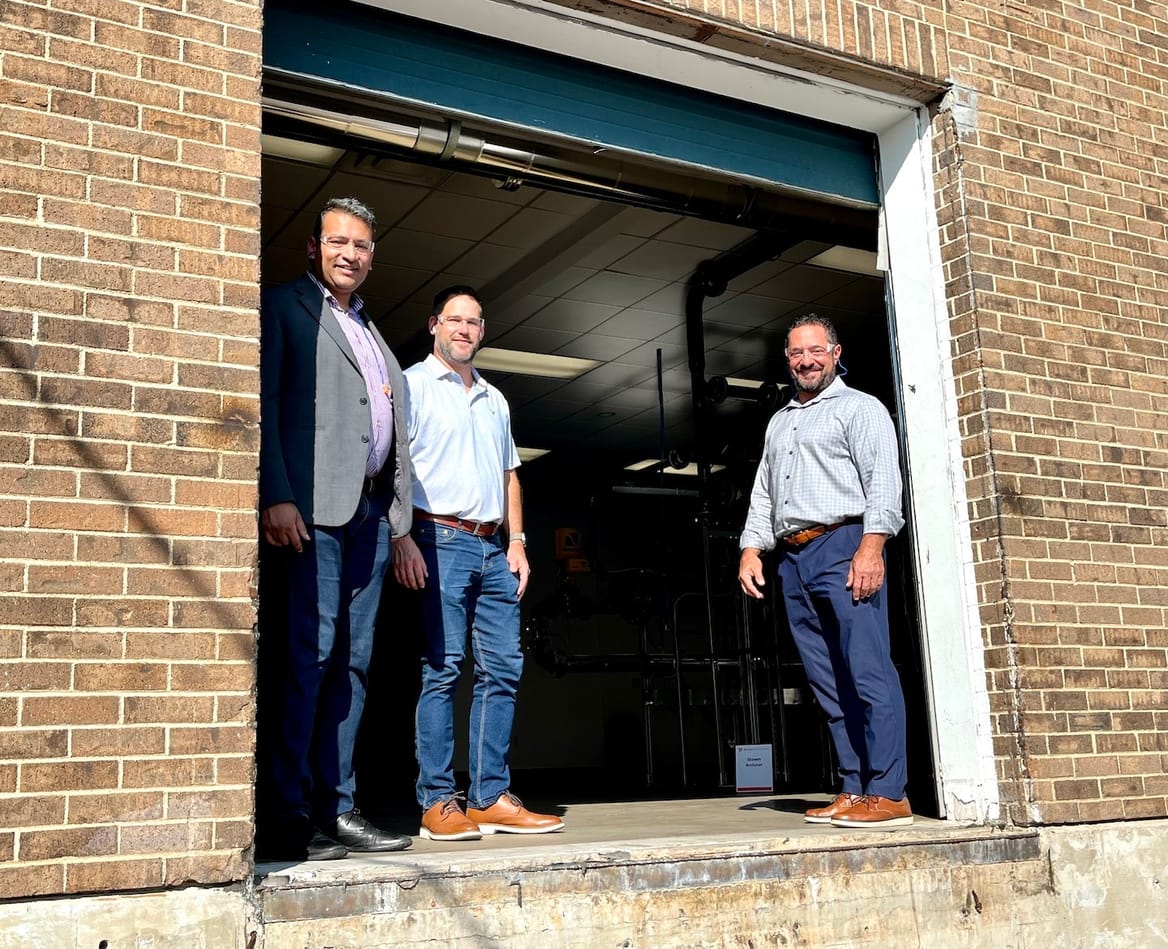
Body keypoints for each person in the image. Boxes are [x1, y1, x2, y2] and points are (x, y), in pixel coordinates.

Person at [256, 197, 413, 860]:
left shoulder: (371, 330)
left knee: (352, 665)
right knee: (308, 659)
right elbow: (263, 401)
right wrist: (277, 494)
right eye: (339, 241)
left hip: (370, 519)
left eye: (362, 245)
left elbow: (390, 429)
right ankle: (286, 809)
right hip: (312, 512)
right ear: (314, 247)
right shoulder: (284, 306)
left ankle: (338, 806)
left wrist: (398, 519)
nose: (350, 253)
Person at [392, 285, 565, 841]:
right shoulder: (411, 386)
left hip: (495, 549)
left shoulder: (495, 399)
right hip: (437, 537)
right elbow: (391, 469)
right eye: (454, 320)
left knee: (503, 671)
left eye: (473, 322)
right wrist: (402, 537)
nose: (464, 329)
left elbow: (510, 475)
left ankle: (489, 796)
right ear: (433, 325)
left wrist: (518, 542)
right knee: (442, 670)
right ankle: (437, 802)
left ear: (482, 332)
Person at [738, 313, 912, 828]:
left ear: (835, 353)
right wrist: (752, 547)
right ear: (787, 360)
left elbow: (883, 480)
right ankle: (855, 787)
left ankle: (890, 791)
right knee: (827, 680)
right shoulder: (781, 420)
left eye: (816, 350)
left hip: (844, 544)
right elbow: (765, 490)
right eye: (796, 353)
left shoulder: (861, 410)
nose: (806, 360)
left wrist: (871, 546)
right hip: (793, 557)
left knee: (867, 670)